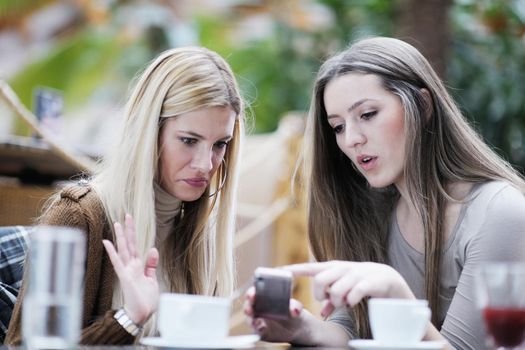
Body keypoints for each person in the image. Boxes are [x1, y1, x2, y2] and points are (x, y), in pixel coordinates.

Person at [244, 36, 525, 349]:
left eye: (367, 115)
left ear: (422, 104)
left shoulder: (500, 213)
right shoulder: (372, 210)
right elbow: (350, 328)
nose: (351, 139)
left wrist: (397, 294)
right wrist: (301, 329)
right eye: (337, 126)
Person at [6, 46, 245, 344]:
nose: (205, 164)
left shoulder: (199, 234)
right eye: (188, 140)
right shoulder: (80, 217)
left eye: (220, 144)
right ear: (149, 131)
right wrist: (127, 320)